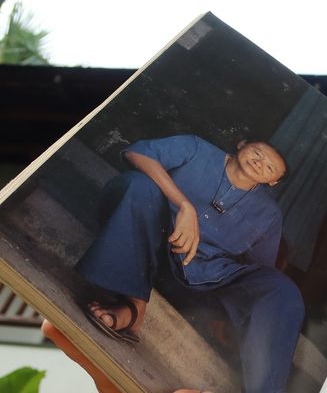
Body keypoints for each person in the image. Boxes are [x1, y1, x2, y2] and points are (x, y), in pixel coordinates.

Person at [75, 134, 303, 393]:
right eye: (258, 152)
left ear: (273, 181)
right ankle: (133, 306)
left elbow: (258, 273)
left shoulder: (269, 215)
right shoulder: (197, 148)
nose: (260, 163)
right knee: (139, 185)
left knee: (281, 289)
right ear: (242, 144)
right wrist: (184, 205)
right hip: (146, 240)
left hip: (199, 280)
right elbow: (136, 153)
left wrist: (230, 320)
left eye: (270, 167)